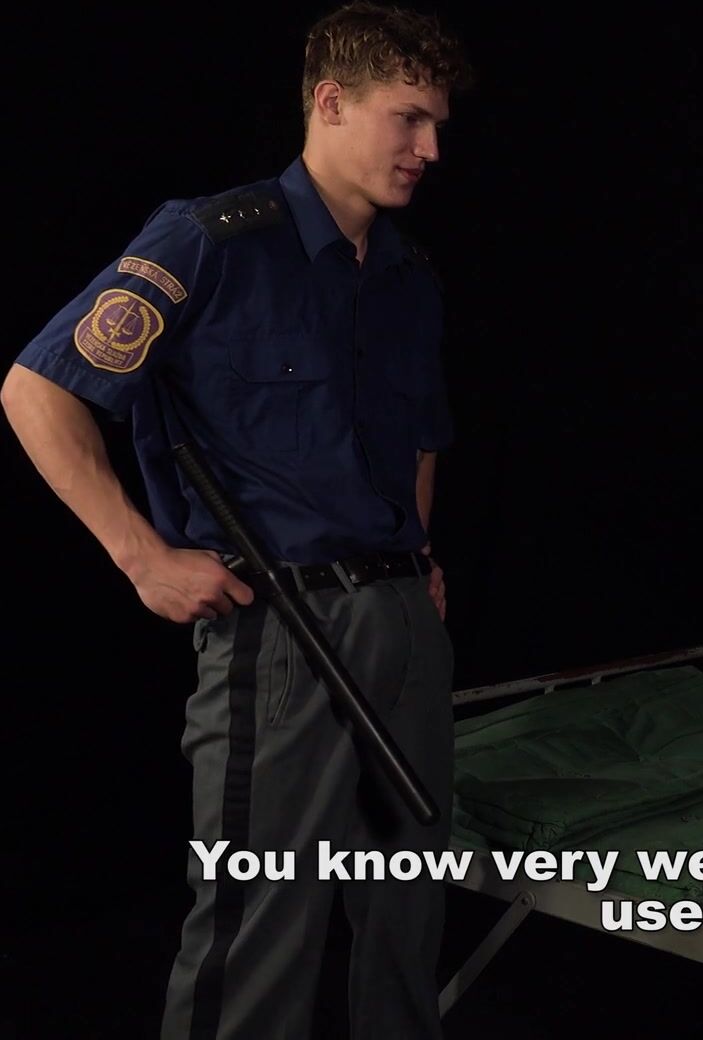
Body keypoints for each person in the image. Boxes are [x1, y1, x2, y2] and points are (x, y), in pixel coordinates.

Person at [1, 3, 473, 1036]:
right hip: (284, 630)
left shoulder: (408, 275)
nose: (430, 149)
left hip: (403, 625)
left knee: (406, 912)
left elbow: (422, 435)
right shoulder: (214, 241)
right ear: (331, 102)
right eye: (409, 119)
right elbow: (38, 389)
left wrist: (417, 553)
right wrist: (141, 557)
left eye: (439, 124)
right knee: (261, 924)